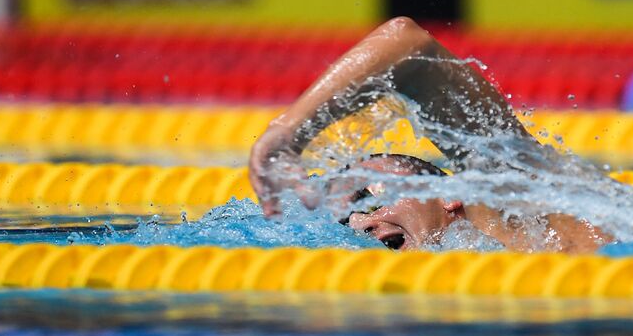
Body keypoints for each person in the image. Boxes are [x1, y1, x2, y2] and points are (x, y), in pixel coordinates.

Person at [249, 17, 611, 253]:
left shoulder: (516, 201)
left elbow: (408, 44)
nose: (361, 221)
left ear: (448, 195)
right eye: (348, 216)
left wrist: (288, 130)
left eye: (368, 199)